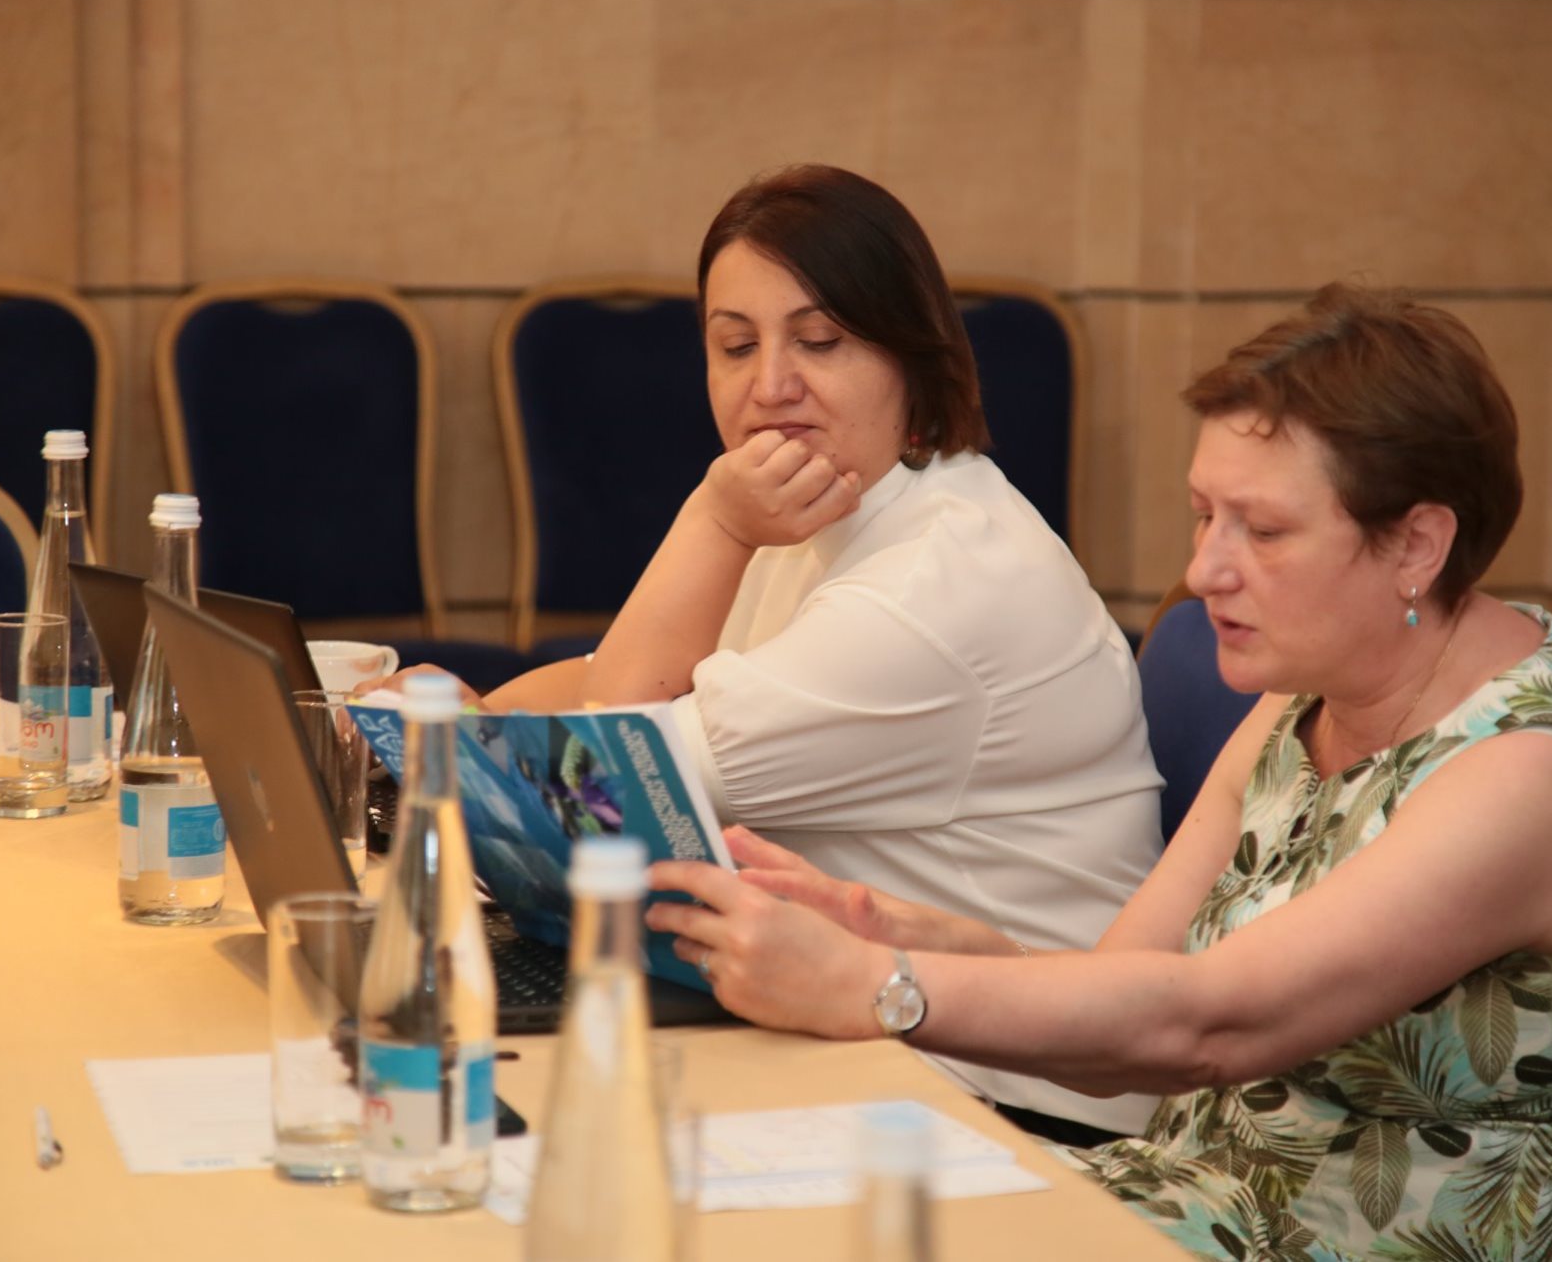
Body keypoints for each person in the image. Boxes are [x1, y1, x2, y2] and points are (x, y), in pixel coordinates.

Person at [646, 284, 1552, 1262]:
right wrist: (888, 934)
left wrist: (877, 987)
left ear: (1416, 543)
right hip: (1184, 1204)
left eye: (1262, 530)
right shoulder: (1305, 698)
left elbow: (1207, 1022)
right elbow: (1118, 1010)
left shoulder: (1525, 775)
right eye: (1203, 515)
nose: (1203, 571)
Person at [398, 164, 1165, 1137]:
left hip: (1023, 1098)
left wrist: (712, 520)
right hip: (882, 1036)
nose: (769, 387)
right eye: (734, 346)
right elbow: (613, 675)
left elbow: (600, 789)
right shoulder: (836, 502)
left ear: (912, 358)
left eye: (820, 341)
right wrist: (457, 716)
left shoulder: (928, 593)